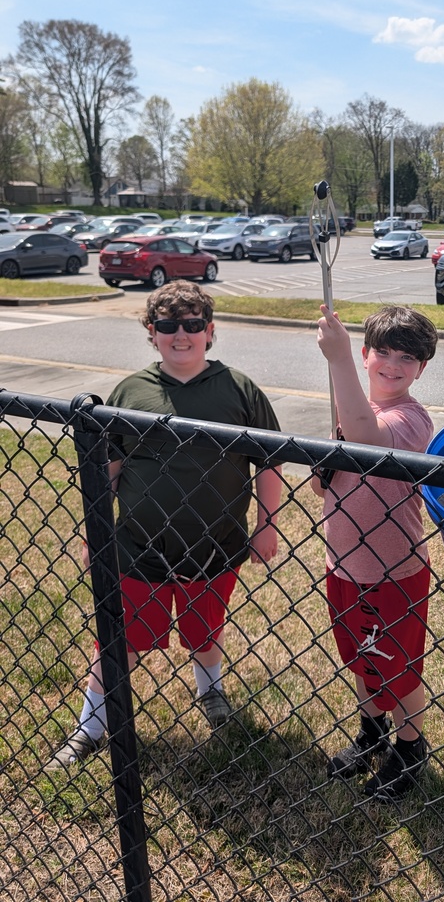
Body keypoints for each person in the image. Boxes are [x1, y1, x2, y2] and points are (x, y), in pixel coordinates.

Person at [46, 281, 283, 769]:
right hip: (137, 546)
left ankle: (210, 690)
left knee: (205, 629)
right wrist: (95, 532)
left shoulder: (239, 389)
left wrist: (268, 524)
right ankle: (91, 725)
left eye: (193, 325)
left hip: (216, 544)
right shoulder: (131, 391)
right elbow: (107, 471)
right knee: (120, 639)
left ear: (210, 331)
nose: (182, 334)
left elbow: (271, 462)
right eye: (169, 326)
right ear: (152, 334)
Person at [314, 303, 438, 802]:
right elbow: (333, 485)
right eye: (381, 352)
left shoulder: (411, 419)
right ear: (368, 355)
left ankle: (410, 747)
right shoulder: (349, 412)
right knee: (362, 660)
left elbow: (369, 437)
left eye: (406, 357)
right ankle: (372, 733)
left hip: (394, 574)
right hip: (344, 566)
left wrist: (338, 360)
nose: (392, 364)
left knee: (398, 667)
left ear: (422, 368)